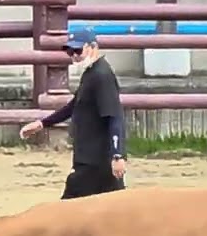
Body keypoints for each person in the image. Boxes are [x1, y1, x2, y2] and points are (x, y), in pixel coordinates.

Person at [19, 27, 127, 200]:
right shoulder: (91, 73)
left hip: (96, 160)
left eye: (77, 50)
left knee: (69, 205)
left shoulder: (102, 76)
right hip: (91, 157)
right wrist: (43, 123)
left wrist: (117, 155)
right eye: (70, 52)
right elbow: (74, 106)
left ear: (92, 47)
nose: (74, 56)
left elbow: (114, 117)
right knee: (111, 206)